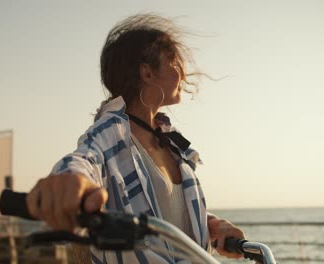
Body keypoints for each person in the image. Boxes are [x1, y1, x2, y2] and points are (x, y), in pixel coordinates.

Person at [26, 14, 245, 263]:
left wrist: (211, 224)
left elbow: (164, 214)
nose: (183, 73)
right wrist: (68, 183)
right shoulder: (112, 132)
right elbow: (85, 160)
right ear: (148, 73)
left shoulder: (170, 141)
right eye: (174, 62)